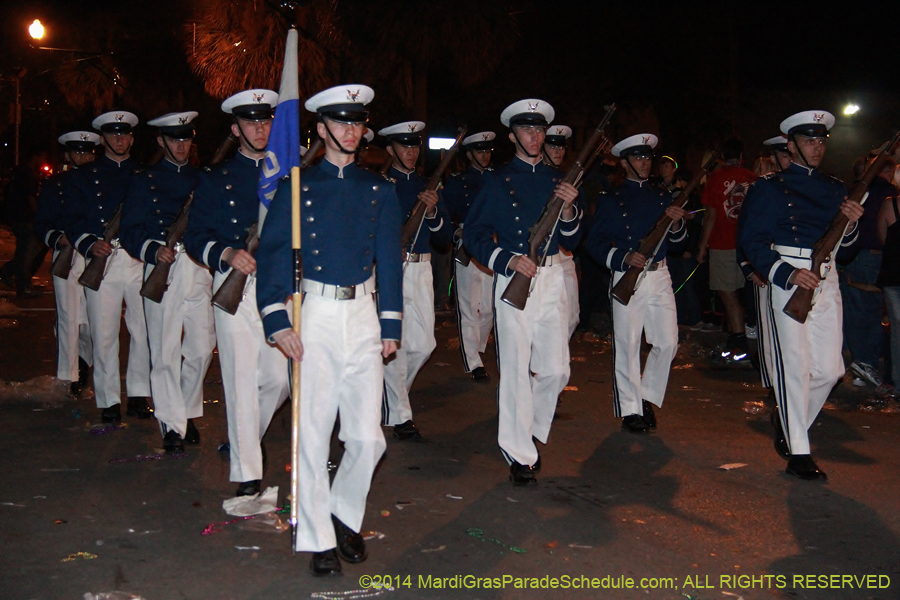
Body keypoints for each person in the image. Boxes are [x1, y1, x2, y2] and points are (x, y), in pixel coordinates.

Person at [256, 84, 402, 576]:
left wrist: (391, 322)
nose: (350, 131)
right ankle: (318, 535)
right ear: (320, 129)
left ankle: (342, 513)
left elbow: (390, 262)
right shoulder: (297, 186)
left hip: (362, 313)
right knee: (313, 431)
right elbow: (273, 253)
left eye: (357, 123)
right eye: (340, 123)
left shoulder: (380, 189)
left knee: (367, 437)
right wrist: (277, 320)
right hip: (313, 311)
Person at [739, 110, 863, 481]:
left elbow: (849, 249)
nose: (817, 148)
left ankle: (790, 424)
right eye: (809, 141)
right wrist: (788, 273)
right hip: (789, 280)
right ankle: (799, 451)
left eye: (822, 141)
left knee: (830, 369)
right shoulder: (769, 188)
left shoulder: (836, 188)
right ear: (790, 146)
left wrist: (852, 224)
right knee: (794, 367)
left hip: (827, 279)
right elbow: (753, 241)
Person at [464, 98, 582, 485]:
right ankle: (518, 450)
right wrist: (507, 260)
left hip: (551, 280)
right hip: (515, 278)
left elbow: (572, 239)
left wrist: (567, 211)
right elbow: (474, 235)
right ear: (513, 135)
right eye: (528, 130)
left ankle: (525, 424)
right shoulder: (497, 181)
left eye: (540, 130)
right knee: (515, 368)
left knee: (557, 369)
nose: (536, 137)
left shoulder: (555, 181)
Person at [184, 89, 288, 490]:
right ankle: (248, 470)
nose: (259, 128)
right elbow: (196, 236)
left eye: (265, 122)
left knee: (278, 379)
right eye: (250, 122)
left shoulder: (288, 175)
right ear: (235, 127)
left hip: (277, 286)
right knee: (240, 379)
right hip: (234, 287)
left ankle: (244, 439)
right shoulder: (216, 178)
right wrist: (227, 252)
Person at [120, 111, 214, 453]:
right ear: (161, 141)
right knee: (164, 352)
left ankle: (186, 410)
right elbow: (130, 230)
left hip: (198, 268)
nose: (182, 145)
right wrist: (153, 250)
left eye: (186, 139)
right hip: (164, 268)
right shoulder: (145, 180)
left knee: (202, 350)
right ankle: (172, 424)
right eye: (175, 139)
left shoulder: (203, 178)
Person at [587, 133, 686, 434]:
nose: (645, 162)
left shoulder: (661, 197)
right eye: (639, 157)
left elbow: (679, 243)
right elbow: (595, 242)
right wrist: (623, 257)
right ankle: (630, 408)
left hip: (660, 273)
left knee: (667, 342)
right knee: (628, 344)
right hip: (627, 275)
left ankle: (646, 397)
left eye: (647, 157)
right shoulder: (611, 199)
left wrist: (678, 221)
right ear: (624, 162)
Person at [64, 111, 152, 423]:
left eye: (125, 134)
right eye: (114, 134)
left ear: (132, 138)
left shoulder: (145, 173)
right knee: (103, 333)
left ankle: (140, 394)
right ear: (103, 139)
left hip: (136, 258)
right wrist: (89, 243)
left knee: (143, 331)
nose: (119, 139)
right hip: (103, 257)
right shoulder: (84, 176)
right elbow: (72, 220)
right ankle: (109, 399)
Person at [378, 120, 451, 440]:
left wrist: (433, 212)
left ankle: (390, 399)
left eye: (414, 146)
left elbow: (445, 238)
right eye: (404, 146)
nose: (410, 152)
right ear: (390, 149)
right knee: (396, 343)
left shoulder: (428, 186)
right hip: (390, 268)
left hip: (422, 270)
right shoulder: (380, 185)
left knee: (423, 345)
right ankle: (400, 414)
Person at [33, 132, 99, 395]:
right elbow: (42, 222)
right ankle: (71, 375)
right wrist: (58, 238)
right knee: (68, 317)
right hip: (68, 255)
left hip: (97, 254)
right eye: (78, 153)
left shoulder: (101, 183)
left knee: (94, 319)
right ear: (68, 155)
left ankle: (86, 364)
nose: (82, 157)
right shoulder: (56, 185)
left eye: (87, 152)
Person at [696, 138, 757, 356]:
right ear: (741, 156)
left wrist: (702, 246)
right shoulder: (752, 178)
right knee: (743, 294)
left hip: (723, 243)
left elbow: (711, 214)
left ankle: (739, 340)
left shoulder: (716, 178)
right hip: (749, 245)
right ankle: (738, 336)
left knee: (728, 295)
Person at [443, 131, 496, 380]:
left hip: (492, 243)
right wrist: (456, 232)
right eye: (480, 151)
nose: (484, 155)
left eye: (487, 151)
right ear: (469, 154)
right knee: (468, 306)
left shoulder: (498, 179)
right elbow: (445, 214)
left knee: (489, 307)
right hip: (467, 244)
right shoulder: (457, 182)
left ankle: (476, 347)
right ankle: (474, 362)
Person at [840, 154, 895, 388]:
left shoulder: (852, 191)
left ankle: (858, 361)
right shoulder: (889, 195)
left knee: (853, 310)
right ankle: (866, 363)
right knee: (872, 312)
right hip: (875, 255)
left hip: (851, 254)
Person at [542, 124, 580, 338]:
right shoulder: (535, 178)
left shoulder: (569, 180)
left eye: (561, 147)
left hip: (564, 254)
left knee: (571, 317)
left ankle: (552, 364)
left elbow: (580, 217)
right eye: (553, 146)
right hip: (540, 256)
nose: (559, 151)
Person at [877, 174, 900, 393]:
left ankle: (896, 380)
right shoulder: (889, 204)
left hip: (893, 272)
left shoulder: (889, 205)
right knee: (897, 328)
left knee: (897, 328)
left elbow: (883, 237)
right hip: (893, 275)